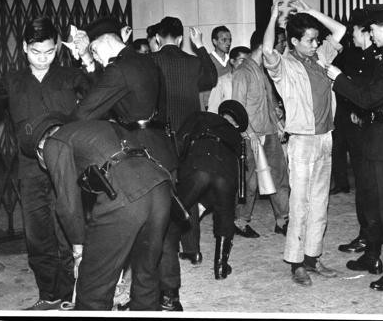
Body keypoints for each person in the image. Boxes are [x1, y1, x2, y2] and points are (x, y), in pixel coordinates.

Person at [0, 17, 93, 309]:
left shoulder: (69, 76)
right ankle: (48, 294)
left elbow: (100, 92)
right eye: (36, 52)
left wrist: (87, 56)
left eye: (50, 52)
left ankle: (68, 295)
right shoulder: (12, 81)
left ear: (57, 49)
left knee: (67, 231)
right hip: (29, 168)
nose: (43, 59)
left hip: (66, 166)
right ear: (25, 48)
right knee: (37, 234)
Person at [69, 16, 180, 309]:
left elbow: (87, 113)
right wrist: (90, 65)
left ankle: (140, 297)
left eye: (94, 51)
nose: (96, 58)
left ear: (103, 42)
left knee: (136, 233)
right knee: (162, 229)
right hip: (163, 148)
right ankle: (168, 296)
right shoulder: (145, 61)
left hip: (140, 153)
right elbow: (117, 94)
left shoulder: (118, 69)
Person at [21, 113, 172, 310]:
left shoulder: (52, 143)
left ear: (39, 151)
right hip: (161, 189)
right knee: (146, 278)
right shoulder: (94, 128)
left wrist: (78, 250)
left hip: (124, 198)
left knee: (92, 291)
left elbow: (67, 203)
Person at [326, 4, 383, 291]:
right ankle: (373, 255)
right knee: (372, 203)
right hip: (373, 140)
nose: (371, 34)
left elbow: (368, 97)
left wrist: (337, 77)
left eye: (373, 29)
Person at [263, 0, 346, 287]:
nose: (314, 44)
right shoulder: (283, 65)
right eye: (309, 40)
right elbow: (266, 50)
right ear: (294, 41)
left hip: (326, 138)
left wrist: (310, 12)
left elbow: (340, 30)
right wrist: (274, 17)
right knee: (300, 203)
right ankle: (296, 262)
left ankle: (313, 257)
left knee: (320, 202)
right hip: (301, 141)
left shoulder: (321, 59)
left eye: (315, 40)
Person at [149, 16, 218, 271]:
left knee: (161, 192)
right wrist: (199, 46)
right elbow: (211, 78)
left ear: (157, 38)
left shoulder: (152, 61)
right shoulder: (192, 63)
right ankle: (193, 250)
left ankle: (162, 249)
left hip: (160, 138)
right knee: (188, 191)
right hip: (189, 136)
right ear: (180, 39)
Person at [159, 99, 249, 292]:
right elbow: (242, 169)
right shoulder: (238, 136)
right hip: (226, 171)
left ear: (222, 113)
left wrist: (180, 166)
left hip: (199, 163)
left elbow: (180, 140)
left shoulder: (201, 116)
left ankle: (165, 255)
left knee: (178, 210)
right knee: (225, 215)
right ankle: (220, 267)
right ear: (236, 123)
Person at [231, 30, 290, 238]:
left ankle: (283, 219)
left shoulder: (264, 72)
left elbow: (271, 102)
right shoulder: (242, 73)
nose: (281, 49)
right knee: (250, 183)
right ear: (262, 47)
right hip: (250, 136)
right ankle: (240, 222)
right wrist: (249, 134)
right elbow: (236, 110)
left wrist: (278, 118)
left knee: (280, 177)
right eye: (278, 44)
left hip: (270, 132)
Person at [334, 8, 379, 254]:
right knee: (364, 187)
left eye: (354, 30)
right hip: (354, 132)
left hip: (369, 134)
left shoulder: (377, 59)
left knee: (369, 188)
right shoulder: (355, 55)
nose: (351, 34)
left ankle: (370, 237)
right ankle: (367, 234)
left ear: (365, 32)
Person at [207, 46, 250, 114]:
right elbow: (213, 109)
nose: (247, 64)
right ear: (232, 61)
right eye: (242, 60)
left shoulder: (252, 81)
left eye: (249, 61)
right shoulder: (221, 81)